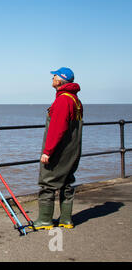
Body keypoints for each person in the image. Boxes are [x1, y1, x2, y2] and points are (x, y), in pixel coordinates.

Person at [33, 67, 83, 230]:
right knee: (67, 182)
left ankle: (45, 220)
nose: (52, 78)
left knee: (47, 183)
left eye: (54, 76)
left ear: (61, 80)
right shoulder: (75, 100)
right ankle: (66, 219)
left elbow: (57, 128)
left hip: (59, 151)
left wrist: (47, 151)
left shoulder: (63, 100)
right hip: (73, 150)